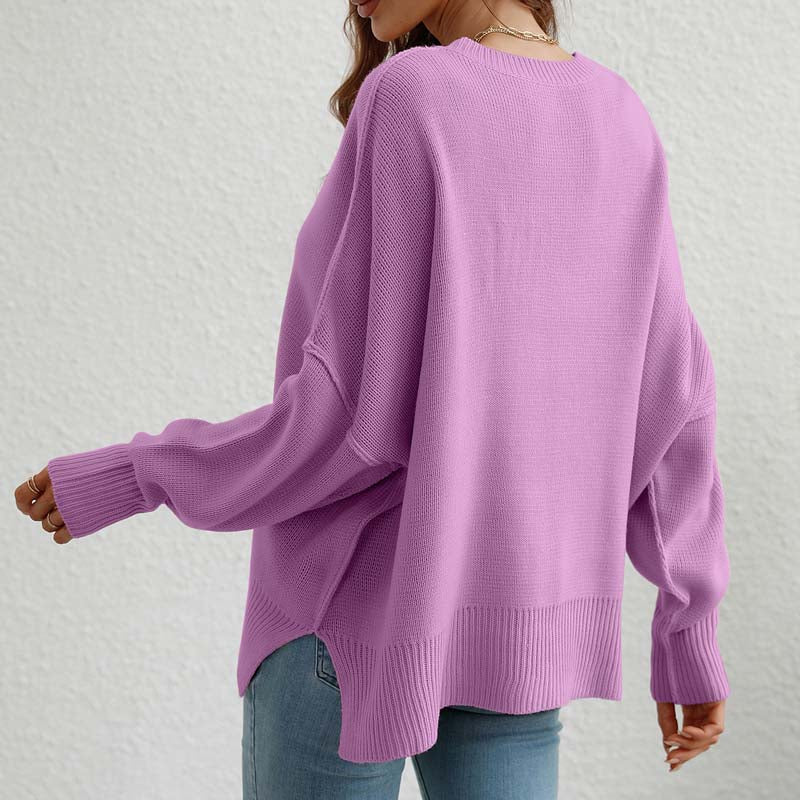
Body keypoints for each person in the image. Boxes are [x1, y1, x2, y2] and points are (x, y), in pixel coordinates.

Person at [14, 1, 730, 797]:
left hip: (349, 626)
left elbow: (342, 424)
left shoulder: (414, 93)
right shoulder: (621, 116)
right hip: (522, 639)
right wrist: (689, 634)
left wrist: (139, 473)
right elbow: (676, 405)